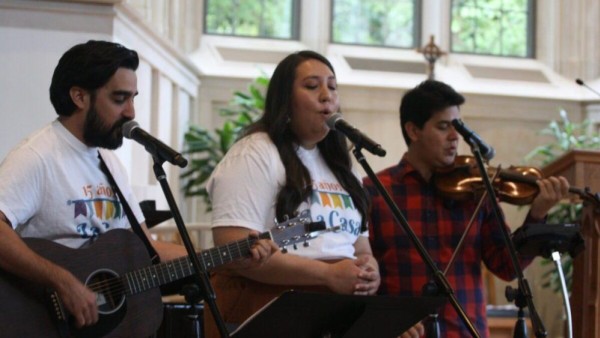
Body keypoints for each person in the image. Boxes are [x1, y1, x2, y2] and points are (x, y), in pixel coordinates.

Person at [0, 40, 275, 334]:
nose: (131, 112)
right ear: (79, 96)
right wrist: (62, 281)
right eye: (120, 99)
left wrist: (229, 258)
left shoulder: (109, 162)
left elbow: (146, 248)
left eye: (133, 98)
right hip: (41, 320)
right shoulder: (37, 156)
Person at [363, 80, 570, 338]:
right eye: (443, 127)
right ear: (413, 131)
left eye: (458, 126)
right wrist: (388, 321)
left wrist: (537, 214)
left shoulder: (476, 189)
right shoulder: (375, 190)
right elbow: (364, 275)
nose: (455, 137)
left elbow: (506, 265)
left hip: (466, 332)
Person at [204, 50, 381, 337]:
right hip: (269, 310)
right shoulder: (256, 152)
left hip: (335, 315)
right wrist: (326, 274)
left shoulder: (343, 166)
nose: (327, 96)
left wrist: (370, 271)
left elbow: (360, 249)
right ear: (285, 100)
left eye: (332, 87)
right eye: (312, 86)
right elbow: (231, 248)